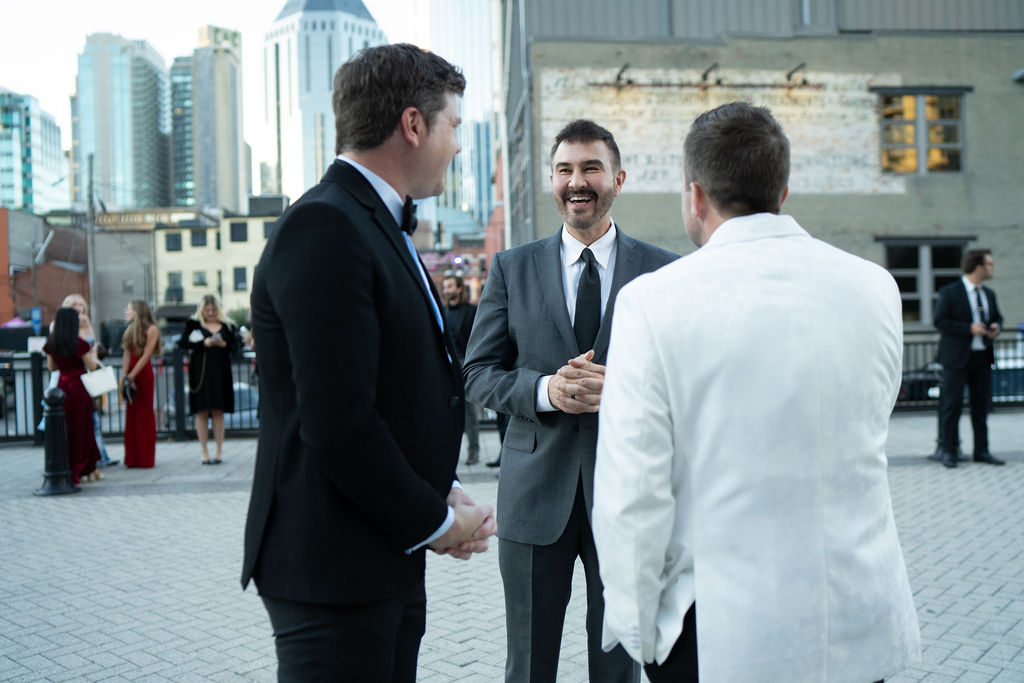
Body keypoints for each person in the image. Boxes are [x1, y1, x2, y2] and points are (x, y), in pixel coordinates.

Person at [591, 101, 921, 682]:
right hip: (858, 623)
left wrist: (638, 628)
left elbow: (633, 496)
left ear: (696, 196)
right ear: (783, 191)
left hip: (722, 635)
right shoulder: (876, 288)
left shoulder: (652, 301)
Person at [241, 43, 496, 682]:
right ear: (413, 125)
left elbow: (392, 389)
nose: (458, 145)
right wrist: (438, 522)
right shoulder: (325, 226)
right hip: (332, 568)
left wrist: (440, 487)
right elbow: (339, 421)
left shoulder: (371, 223)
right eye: (453, 126)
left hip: (378, 552)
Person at [463, 119, 677, 683]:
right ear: (551, 181)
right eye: (564, 170)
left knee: (619, 667)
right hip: (535, 497)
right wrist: (547, 391)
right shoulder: (512, 268)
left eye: (590, 168)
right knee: (529, 665)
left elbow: (684, 382)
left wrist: (624, 390)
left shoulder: (663, 272)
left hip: (630, 498)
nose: (576, 182)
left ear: (618, 178)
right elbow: (478, 373)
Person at [932, 249, 1004, 468]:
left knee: (981, 407)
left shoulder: (989, 294)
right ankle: (948, 450)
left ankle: (982, 451)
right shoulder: (950, 292)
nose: (992, 267)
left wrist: (995, 327)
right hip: (955, 359)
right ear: (978, 267)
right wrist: (969, 328)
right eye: (989, 264)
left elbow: (997, 316)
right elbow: (940, 321)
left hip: (982, 357)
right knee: (951, 406)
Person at [43, 307, 102, 486]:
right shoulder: (78, 343)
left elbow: (52, 368)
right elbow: (91, 366)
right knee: (82, 428)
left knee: (66, 429)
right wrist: (94, 352)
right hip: (78, 387)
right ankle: (84, 467)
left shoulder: (52, 343)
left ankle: (69, 466)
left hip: (62, 388)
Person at [61, 293, 118, 468]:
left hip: (87, 376)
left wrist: (87, 330)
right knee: (74, 421)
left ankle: (99, 455)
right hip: (72, 377)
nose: (78, 307)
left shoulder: (86, 325)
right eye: (73, 304)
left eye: (80, 304)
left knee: (91, 418)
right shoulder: (62, 326)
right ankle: (80, 460)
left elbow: (92, 353)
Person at [178, 294, 236, 465]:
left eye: (213, 310)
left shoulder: (227, 326)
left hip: (221, 372)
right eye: (207, 310)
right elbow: (182, 343)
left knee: (218, 410)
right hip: (200, 373)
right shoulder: (193, 325)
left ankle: (219, 451)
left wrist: (223, 344)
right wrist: (204, 343)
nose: (210, 313)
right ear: (202, 310)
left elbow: (235, 348)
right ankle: (204, 451)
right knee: (201, 411)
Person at [441, 273, 480, 464]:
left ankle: (474, 450)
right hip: (447, 364)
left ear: (458, 289)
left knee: (469, 411)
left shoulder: (471, 311)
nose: (446, 291)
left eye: (449, 287)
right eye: (445, 287)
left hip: (466, 363)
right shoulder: (443, 312)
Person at [121, 300, 160, 469]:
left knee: (144, 414)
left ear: (137, 311)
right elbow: (126, 354)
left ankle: (145, 458)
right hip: (131, 374)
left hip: (143, 374)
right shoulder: (130, 330)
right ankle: (132, 458)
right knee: (132, 415)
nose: (126, 311)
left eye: (128, 309)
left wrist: (132, 375)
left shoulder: (152, 329)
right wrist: (125, 376)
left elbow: (147, 355)